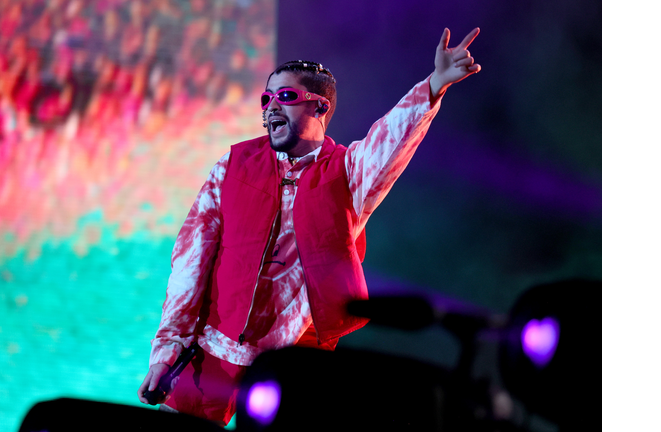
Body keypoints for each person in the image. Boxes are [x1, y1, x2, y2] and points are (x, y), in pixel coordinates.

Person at [138, 27, 482, 425]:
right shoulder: (233, 164)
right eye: (266, 98)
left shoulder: (348, 173)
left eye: (285, 97)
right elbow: (189, 262)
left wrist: (434, 84)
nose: (270, 108)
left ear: (320, 107)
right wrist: (167, 349)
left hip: (295, 366)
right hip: (211, 356)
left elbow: (390, 141)